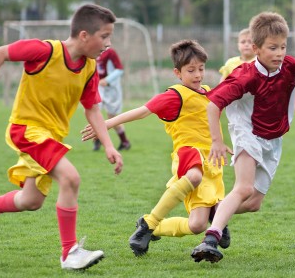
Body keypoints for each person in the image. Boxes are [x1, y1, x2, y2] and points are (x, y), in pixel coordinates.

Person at [0, 4, 123, 271]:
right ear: (84, 35)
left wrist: (109, 144)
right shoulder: (45, 51)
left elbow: (92, 108)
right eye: (104, 36)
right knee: (71, 178)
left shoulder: (89, 67)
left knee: (31, 201)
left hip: (52, 136)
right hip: (26, 130)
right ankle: (69, 253)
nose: (108, 43)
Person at [81, 40, 231, 260]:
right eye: (191, 70)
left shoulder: (208, 92)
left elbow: (213, 117)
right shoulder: (175, 95)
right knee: (194, 176)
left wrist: (220, 141)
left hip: (212, 160)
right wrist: (105, 124)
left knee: (197, 225)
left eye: (201, 69)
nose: (198, 75)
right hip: (188, 153)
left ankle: (153, 227)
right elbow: (142, 112)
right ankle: (149, 224)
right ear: (177, 73)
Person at [192, 12, 295, 263]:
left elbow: (293, 84)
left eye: (283, 46)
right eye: (272, 48)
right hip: (247, 132)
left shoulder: (289, 65)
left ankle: (217, 212)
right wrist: (217, 140)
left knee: (254, 203)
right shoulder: (244, 75)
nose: (279, 53)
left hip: (274, 138)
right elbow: (213, 104)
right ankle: (210, 240)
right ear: (256, 48)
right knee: (244, 187)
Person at [93, 46, 131, 151]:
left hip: (111, 88)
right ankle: (97, 140)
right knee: (94, 113)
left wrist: (107, 79)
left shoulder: (110, 52)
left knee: (112, 117)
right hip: (97, 87)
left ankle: (125, 141)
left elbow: (119, 70)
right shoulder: (90, 50)